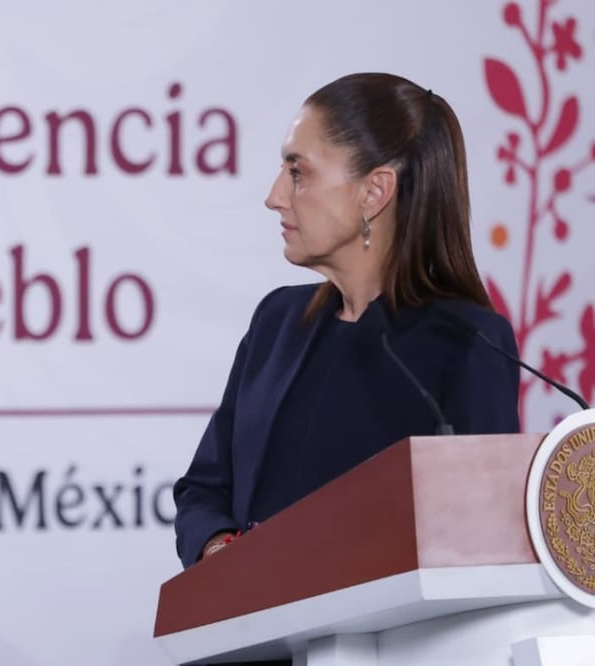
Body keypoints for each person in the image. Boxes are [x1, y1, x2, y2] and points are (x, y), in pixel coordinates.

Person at [173, 72, 521, 578]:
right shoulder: (276, 322)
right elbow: (204, 490)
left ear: (374, 192)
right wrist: (221, 550)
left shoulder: (468, 343)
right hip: (249, 624)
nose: (274, 196)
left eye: (298, 172)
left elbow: (480, 551)